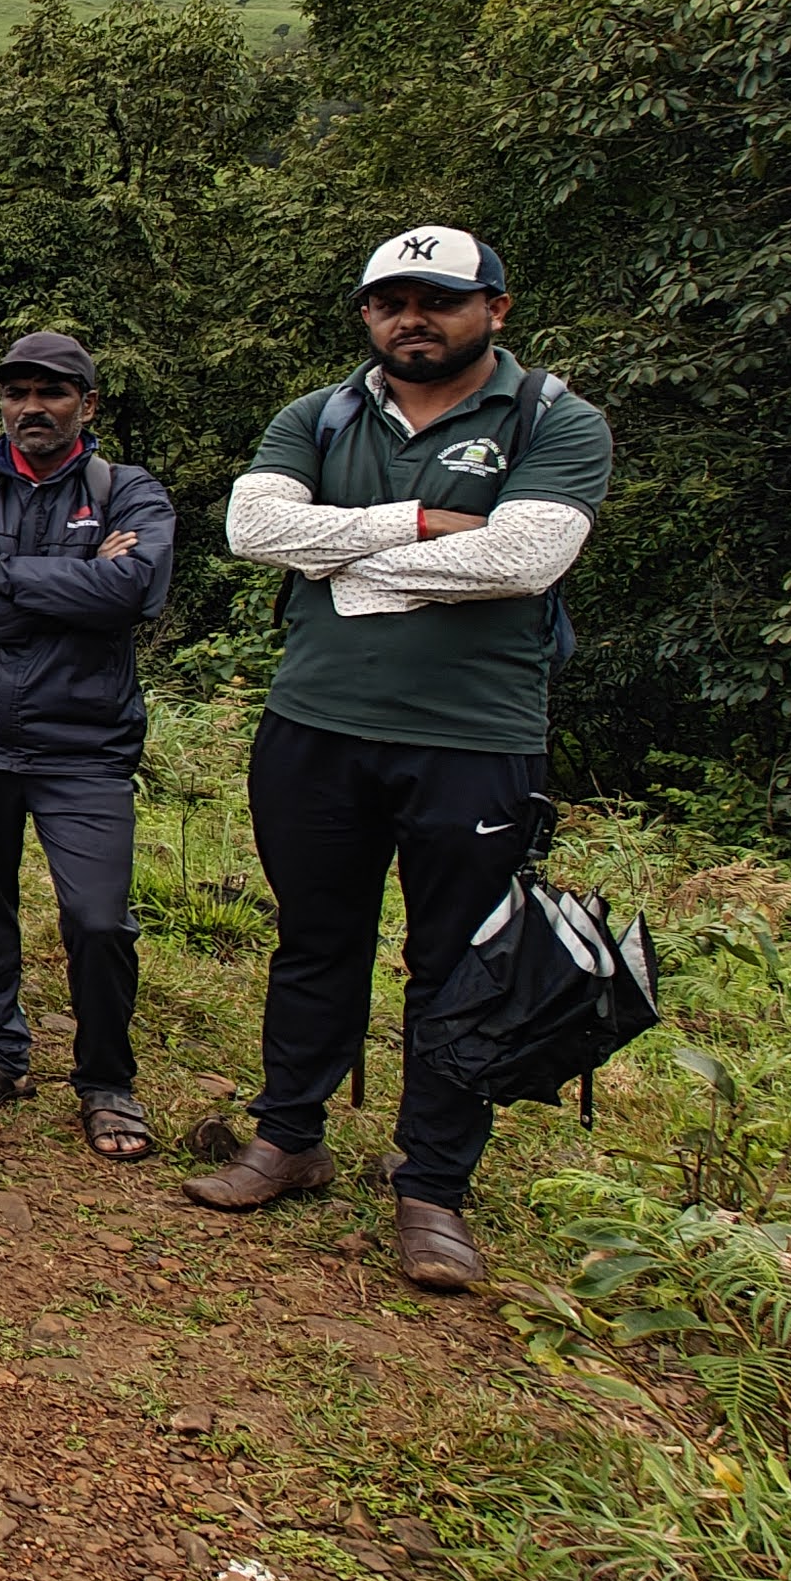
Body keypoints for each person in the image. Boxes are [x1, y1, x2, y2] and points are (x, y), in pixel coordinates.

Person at [191, 226, 614, 1292]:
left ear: (494, 309)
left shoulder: (552, 418)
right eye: (390, 301)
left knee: (455, 964)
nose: (410, 318)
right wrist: (421, 523)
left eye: (437, 299)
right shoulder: (319, 414)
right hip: (315, 724)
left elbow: (526, 554)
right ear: (367, 314)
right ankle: (286, 1135)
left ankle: (432, 1187)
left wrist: (350, 563)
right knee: (314, 939)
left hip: (471, 737)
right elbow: (253, 527)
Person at [0, 332, 175, 1163]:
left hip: (83, 742)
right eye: (17, 392)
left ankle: (106, 1079)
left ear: (86, 405)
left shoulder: (129, 491)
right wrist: (75, 579)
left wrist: (4, 572)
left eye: (52, 393)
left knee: (98, 919)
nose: (32, 407)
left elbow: (137, 590)